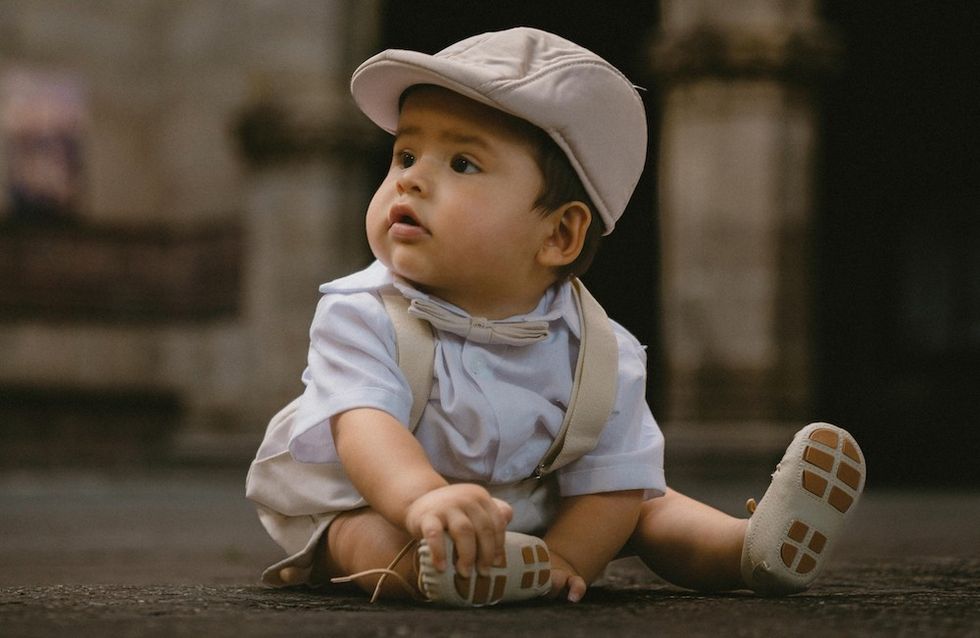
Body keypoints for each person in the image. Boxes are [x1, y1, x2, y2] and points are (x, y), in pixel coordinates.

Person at [246, 27, 866, 606]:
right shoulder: (361, 313)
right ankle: (437, 569)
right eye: (406, 156)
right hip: (377, 495)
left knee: (646, 504)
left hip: (539, 498)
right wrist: (425, 500)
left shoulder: (603, 353)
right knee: (361, 538)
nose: (410, 182)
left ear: (560, 234)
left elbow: (614, 482)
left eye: (462, 163)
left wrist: (566, 557)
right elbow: (366, 431)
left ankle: (747, 548)